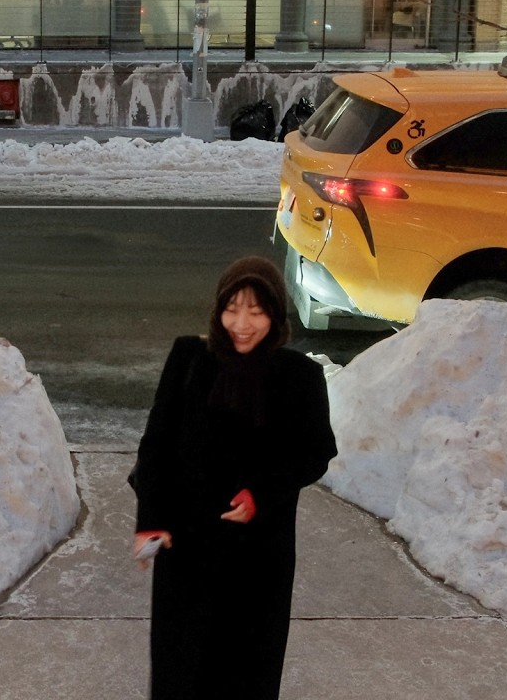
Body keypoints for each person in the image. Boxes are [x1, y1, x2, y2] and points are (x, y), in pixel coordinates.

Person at [128, 255, 336, 699]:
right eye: (232, 309)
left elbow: (316, 452)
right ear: (218, 311)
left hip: (259, 555)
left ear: (276, 317)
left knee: (248, 670)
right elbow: (156, 447)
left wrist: (262, 493)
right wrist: (150, 522)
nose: (241, 324)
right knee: (180, 669)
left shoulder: (300, 376)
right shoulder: (189, 359)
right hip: (187, 547)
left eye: (257, 312)